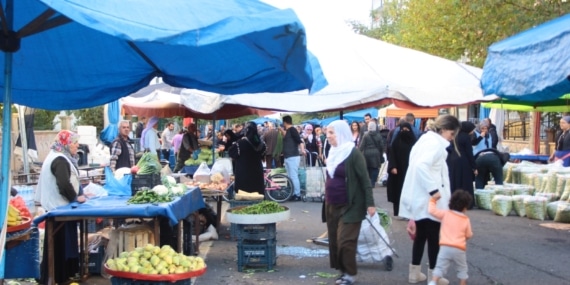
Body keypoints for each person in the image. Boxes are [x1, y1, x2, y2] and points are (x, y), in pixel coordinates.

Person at [400, 114, 460, 284]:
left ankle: (415, 273)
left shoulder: (425, 141)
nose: (452, 137)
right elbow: (421, 166)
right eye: (451, 133)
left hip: (421, 198)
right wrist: (434, 190)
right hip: (431, 199)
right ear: (443, 130)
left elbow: (417, 165)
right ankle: (435, 276)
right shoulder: (434, 144)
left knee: (420, 237)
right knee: (434, 239)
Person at [324, 120, 376, 285]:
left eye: (331, 133)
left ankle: (350, 274)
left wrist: (370, 203)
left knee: (345, 241)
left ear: (341, 133)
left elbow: (365, 180)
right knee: (335, 241)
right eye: (328, 133)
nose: (328, 136)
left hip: (351, 205)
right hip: (332, 205)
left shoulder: (353, 153)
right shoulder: (333, 152)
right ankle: (344, 272)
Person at [36, 130, 87, 284]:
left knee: (58, 243)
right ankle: (58, 276)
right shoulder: (59, 159)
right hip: (58, 207)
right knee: (59, 244)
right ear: (65, 144)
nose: (77, 145)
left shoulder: (56, 156)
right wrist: (75, 197)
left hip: (57, 207)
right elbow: (63, 184)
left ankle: (62, 275)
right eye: (74, 142)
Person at [428, 190, 473, 285]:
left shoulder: (446, 214)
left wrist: (433, 200)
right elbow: (468, 234)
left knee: (440, 267)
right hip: (459, 248)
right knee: (462, 269)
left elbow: (432, 211)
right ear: (465, 207)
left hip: (445, 247)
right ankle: (462, 283)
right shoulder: (465, 219)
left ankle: (433, 281)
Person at [387, 122, 416, 218]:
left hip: (410, 170)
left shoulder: (414, 141)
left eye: (406, 130)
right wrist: (393, 166)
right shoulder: (396, 141)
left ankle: (410, 212)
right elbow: (392, 154)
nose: (404, 132)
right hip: (399, 171)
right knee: (399, 190)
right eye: (402, 129)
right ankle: (400, 211)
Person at [229, 122, 267, 195]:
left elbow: (232, 153)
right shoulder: (261, 144)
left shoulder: (240, 143)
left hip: (243, 177)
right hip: (257, 177)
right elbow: (263, 155)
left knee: (243, 200)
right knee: (257, 198)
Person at [447, 122, 477, 207]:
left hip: (452, 161)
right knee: (464, 183)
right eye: (472, 130)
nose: (472, 132)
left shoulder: (454, 135)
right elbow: (469, 153)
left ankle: (453, 202)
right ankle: (466, 203)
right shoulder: (466, 137)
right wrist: (474, 166)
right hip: (463, 162)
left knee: (454, 181)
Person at [280, 115, 305, 201]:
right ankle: (293, 193)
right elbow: (287, 138)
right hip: (288, 156)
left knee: (293, 176)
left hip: (293, 156)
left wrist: (302, 150)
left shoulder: (293, 130)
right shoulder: (288, 131)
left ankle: (297, 194)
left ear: (285, 122)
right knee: (290, 176)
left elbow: (299, 141)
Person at [472, 121, 503, 189]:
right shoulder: (475, 133)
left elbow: (492, 145)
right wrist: (480, 137)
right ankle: (480, 193)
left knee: (491, 177)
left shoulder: (489, 135)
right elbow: (473, 143)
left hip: (489, 154)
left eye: (486, 128)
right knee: (480, 177)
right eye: (483, 128)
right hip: (479, 156)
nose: (485, 130)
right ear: (480, 128)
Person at [358, 121, 385, 186]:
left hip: (366, 153)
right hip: (376, 153)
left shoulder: (365, 135)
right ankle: (373, 182)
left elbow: (361, 146)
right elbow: (381, 146)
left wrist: (358, 153)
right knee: (375, 168)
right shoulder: (378, 135)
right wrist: (381, 154)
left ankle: (368, 180)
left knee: (367, 167)